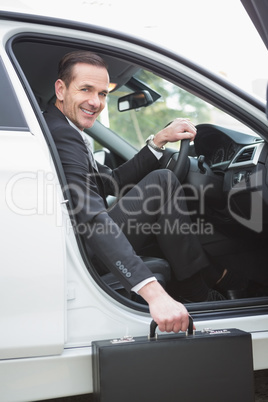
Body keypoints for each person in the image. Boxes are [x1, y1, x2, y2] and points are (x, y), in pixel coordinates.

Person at [44, 50, 242, 334]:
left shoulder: (63, 127)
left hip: (79, 240)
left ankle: (205, 279)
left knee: (162, 179)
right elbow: (90, 218)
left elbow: (110, 182)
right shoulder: (62, 134)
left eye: (102, 93)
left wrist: (158, 141)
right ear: (60, 89)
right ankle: (197, 288)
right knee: (163, 181)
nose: (95, 102)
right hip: (83, 249)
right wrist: (153, 293)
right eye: (85, 89)